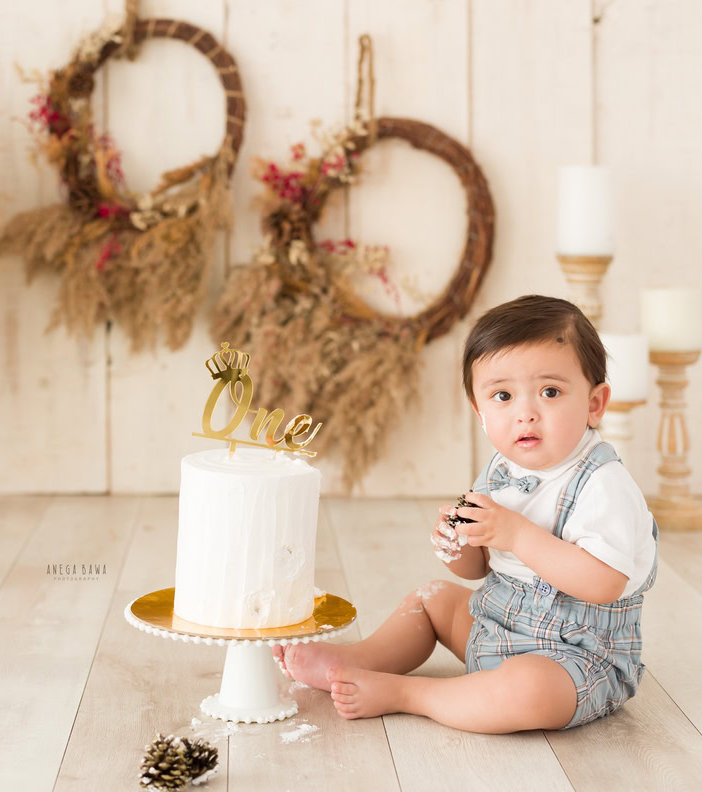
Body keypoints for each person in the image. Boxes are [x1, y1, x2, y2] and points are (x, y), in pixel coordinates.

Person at [274, 294, 658, 733]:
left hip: (576, 657)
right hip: (497, 627)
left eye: (550, 392)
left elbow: (605, 584)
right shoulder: (500, 469)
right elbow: (476, 571)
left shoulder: (602, 483)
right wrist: (457, 544)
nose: (525, 414)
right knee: (433, 598)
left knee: (526, 692)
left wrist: (516, 535)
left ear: (594, 403)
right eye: (503, 396)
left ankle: (409, 694)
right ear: (479, 411)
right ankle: (358, 660)